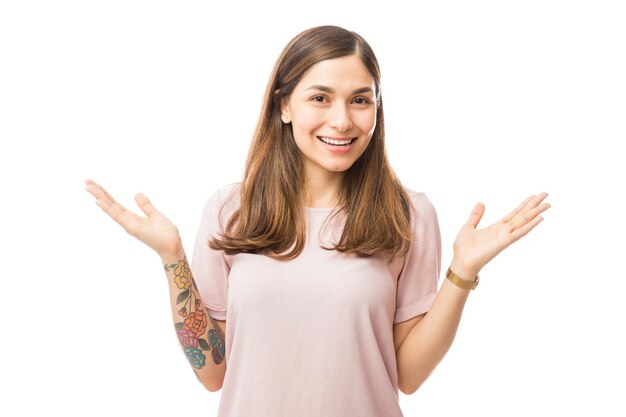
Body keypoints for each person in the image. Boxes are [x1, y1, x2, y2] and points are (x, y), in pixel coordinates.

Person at [84, 25, 551, 417]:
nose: (342, 120)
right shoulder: (231, 210)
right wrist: (172, 258)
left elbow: (408, 376)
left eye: (361, 100)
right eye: (321, 97)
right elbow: (213, 373)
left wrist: (462, 272)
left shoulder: (408, 214)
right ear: (284, 106)